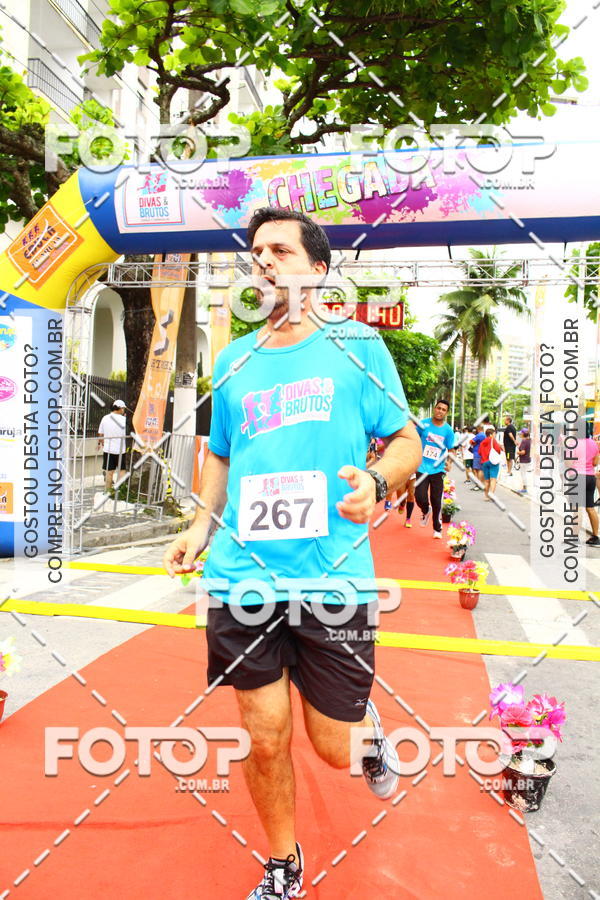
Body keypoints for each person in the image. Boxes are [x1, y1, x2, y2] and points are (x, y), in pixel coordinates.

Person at [163, 206, 422, 899]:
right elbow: (222, 455)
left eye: (281, 250)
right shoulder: (234, 360)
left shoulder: (358, 345)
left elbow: (407, 440)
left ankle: (365, 728)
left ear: (318, 269)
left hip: (334, 579)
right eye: (257, 251)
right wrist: (199, 528)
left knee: (334, 749)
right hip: (243, 577)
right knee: (265, 734)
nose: (264, 260)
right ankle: (283, 863)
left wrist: (376, 482)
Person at [414, 399, 455, 538]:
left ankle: (437, 528)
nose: (440, 411)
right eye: (438, 408)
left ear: (446, 413)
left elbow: (451, 449)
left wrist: (449, 462)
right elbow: (414, 439)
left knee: (436, 499)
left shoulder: (448, 430)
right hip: (421, 466)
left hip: (438, 469)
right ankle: (426, 511)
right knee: (419, 496)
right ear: (434, 409)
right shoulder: (423, 424)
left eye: (443, 409)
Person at [572, 427, 600, 546]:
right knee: (590, 508)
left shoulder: (573, 443)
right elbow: (595, 462)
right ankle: (595, 537)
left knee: (577, 508)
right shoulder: (594, 444)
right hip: (590, 477)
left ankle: (574, 537)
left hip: (577, 477)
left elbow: (568, 463)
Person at [97, 400, 127, 493]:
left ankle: (108, 492)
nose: (123, 410)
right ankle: (120, 491)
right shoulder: (124, 420)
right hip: (121, 450)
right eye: (123, 408)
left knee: (109, 472)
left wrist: (101, 442)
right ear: (120, 408)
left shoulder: (105, 418)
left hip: (108, 450)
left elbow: (100, 434)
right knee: (121, 471)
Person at [479, 426, 503, 500]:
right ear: (491, 434)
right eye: (494, 434)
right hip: (493, 461)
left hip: (484, 462)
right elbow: (498, 450)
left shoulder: (482, 442)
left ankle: (486, 496)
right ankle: (491, 494)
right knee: (493, 479)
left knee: (487, 480)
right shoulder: (493, 440)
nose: (495, 435)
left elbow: (479, 452)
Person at [470, 424, 486, 489]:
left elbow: (471, 441)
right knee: (481, 469)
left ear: (478, 428)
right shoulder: (484, 435)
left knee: (477, 469)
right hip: (482, 453)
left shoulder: (479, 435)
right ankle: (482, 484)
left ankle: (478, 484)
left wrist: (474, 444)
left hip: (477, 453)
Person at [517, 428, 532, 495]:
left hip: (523, 460)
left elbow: (523, 452)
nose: (520, 434)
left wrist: (518, 452)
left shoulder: (524, 441)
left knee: (523, 474)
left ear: (523, 434)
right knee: (525, 474)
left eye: (521, 433)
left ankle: (524, 488)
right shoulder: (530, 440)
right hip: (528, 459)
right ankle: (524, 488)